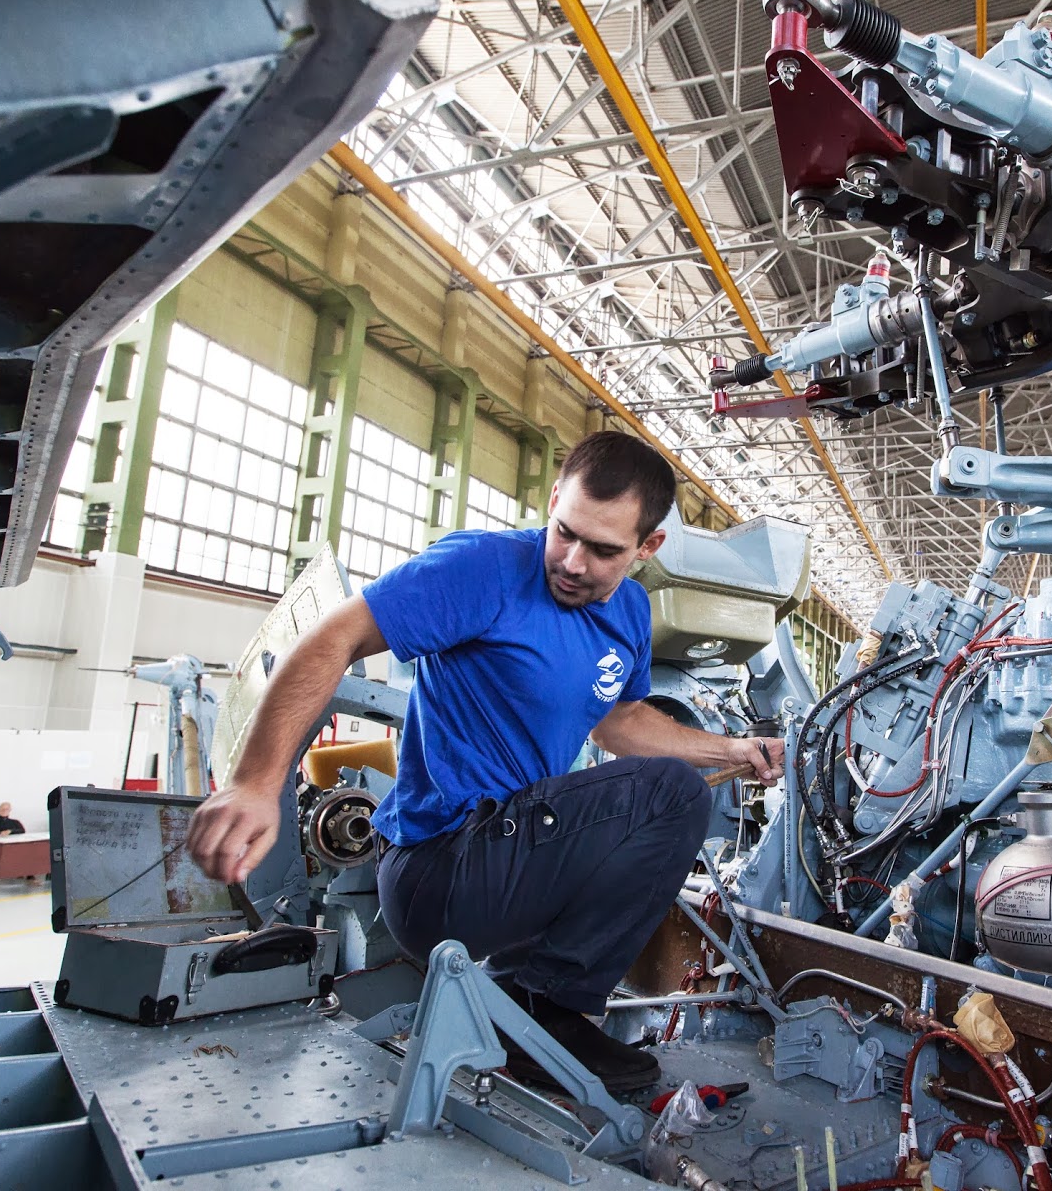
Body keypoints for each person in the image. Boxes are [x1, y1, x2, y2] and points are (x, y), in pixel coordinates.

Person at [186, 432, 783, 1092]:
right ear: (554, 500)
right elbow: (335, 635)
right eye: (565, 533)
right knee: (673, 797)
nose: (575, 562)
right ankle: (540, 1011)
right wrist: (255, 783)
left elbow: (618, 721)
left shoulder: (629, 614)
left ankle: (527, 1004)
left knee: (662, 796)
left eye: (604, 549)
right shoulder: (484, 568)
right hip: (441, 866)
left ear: (648, 549)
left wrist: (732, 749)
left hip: (512, 858)